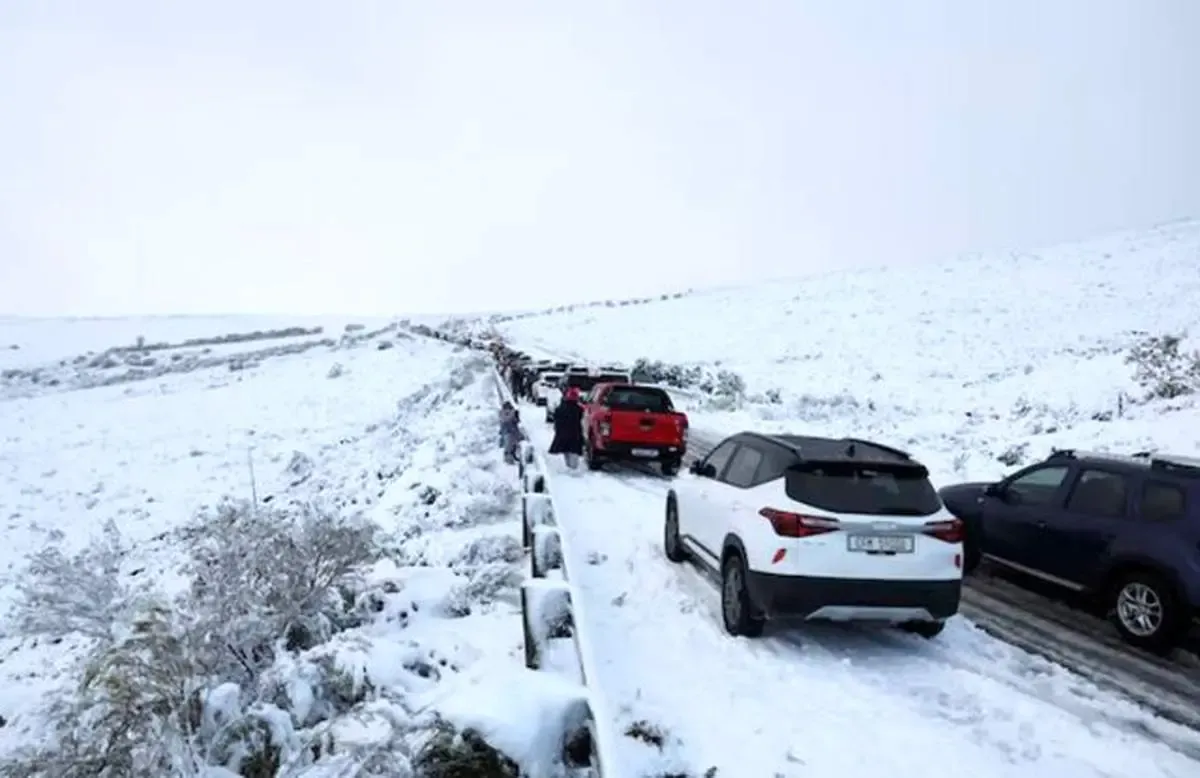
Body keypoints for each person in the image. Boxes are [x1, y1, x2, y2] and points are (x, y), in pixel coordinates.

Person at [549, 386, 585, 470]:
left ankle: (568, 468)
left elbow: (556, 420)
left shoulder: (560, 408)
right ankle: (572, 470)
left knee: (566, 451)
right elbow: (582, 421)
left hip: (563, 435)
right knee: (574, 453)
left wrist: (557, 430)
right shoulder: (579, 409)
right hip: (575, 435)